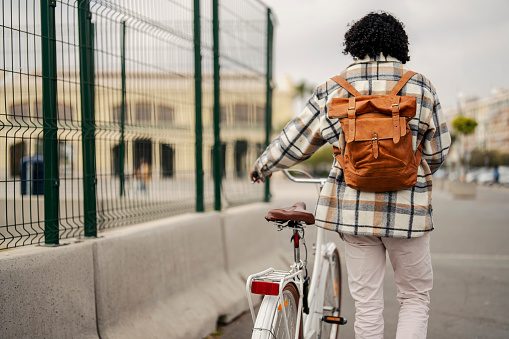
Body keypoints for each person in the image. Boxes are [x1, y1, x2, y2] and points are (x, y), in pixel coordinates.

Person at [250, 11, 451, 339]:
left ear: (353, 44)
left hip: (353, 212)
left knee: (367, 304)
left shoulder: (333, 88)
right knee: (414, 297)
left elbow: (296, 140)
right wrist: (408, 172)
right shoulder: (421, 86)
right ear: (400, 44)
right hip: (408, 215)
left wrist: (263, 166)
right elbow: (438, 151)